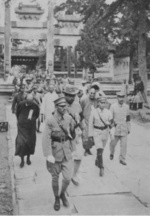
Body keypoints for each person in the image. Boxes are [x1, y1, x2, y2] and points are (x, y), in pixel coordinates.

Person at [42, 96, 76, 211]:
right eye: (62, 106)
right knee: (55, 178)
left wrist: (74, 148)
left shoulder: (68, 118)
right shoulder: (50, 120)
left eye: (65, 105)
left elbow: (72, 135)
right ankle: (57, 197)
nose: (64, 108)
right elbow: (46, 138)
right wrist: (48, 154)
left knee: (67, 178)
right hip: (55, 153)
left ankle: (62, 194)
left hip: (67, 152)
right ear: (56, 107)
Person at [63, 84, 85, 185]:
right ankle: (65, 175)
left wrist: (84, 131)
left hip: (76, 133)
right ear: (65, 95)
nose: (72, 97)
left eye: (73, 95)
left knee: (79, 155)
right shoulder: (61, 105)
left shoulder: (77, 105)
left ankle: (74, 175)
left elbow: (81, 120)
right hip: (65, 134)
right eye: (69, 95)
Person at [88, 96, 113, 176]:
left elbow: (111, 122)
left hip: (105, 132)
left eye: (104, 103)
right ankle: (101, 167)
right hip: (97, 132)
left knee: (102, 149)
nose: (103, 104)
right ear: (98, 103)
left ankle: (97, 159)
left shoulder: (108, 112)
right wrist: (90, 135)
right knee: (99, 149)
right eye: (101, 103)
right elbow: (90, 124)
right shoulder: (94, 112)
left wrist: (111, 127)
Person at [15, 94, 40, 168]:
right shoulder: (21, 104)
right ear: (25, 100)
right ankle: (22, 160)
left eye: (31, 102)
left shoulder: (35, 106)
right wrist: (20, 120)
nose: (29, 104)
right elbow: (17, 113)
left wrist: (31, 120)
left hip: (31, 128)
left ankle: (28, 158)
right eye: (28, 102)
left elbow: (37, 115)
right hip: (22, 127)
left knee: (30, 143)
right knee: (21, 143)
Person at [109, 91, 131, 165]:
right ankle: (112, 153)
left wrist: (129, 128)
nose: (121, 99)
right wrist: (112, 127)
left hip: (124, 128)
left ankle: (122, 159)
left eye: (122, 97)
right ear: (117, 98)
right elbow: (110, 117)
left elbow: (128, 118)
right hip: (116, 128)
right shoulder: (113, 106)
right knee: (112, 143)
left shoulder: (126, 107)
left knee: (124, 145)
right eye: (119, 97)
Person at [80, 88, 98, 156]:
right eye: (91, 93)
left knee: (91, 136)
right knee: (85, 136)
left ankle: (88, 149)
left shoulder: (96, 101)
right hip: (85, 120)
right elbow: (80, 110)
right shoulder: (83, 100)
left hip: (93, 121)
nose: (92, 95)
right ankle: (86, 150)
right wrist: (82, 120)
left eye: (94, 93)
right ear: (88, 93)